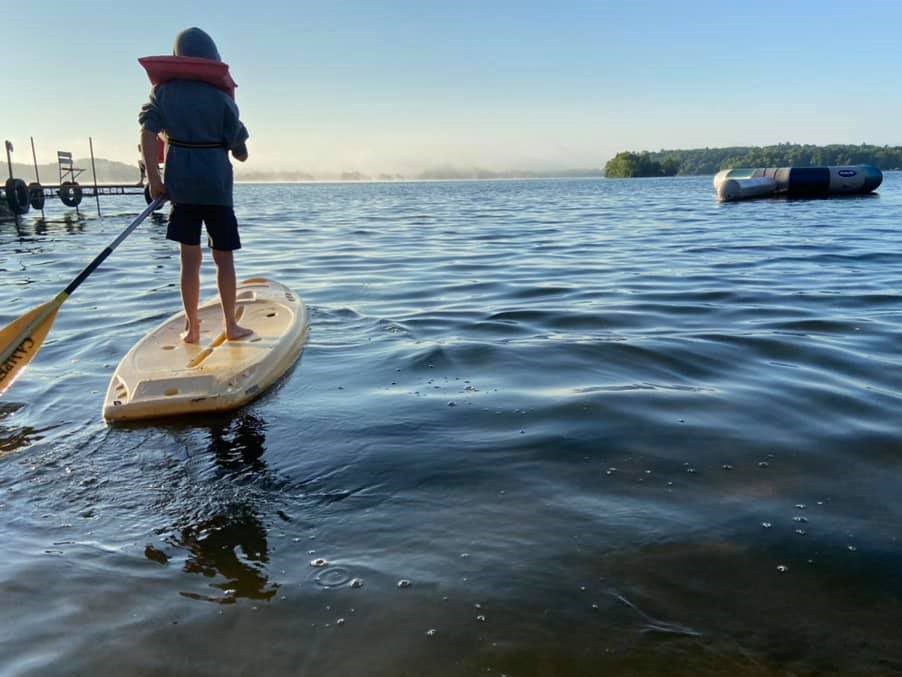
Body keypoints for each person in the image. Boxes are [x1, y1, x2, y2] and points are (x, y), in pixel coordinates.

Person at [139, 27, 252, 343]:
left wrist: (154, 179)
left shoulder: (163, 94)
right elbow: (241, 153)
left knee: (189, 261)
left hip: (182, 192)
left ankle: (193, 329)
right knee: (224, 259)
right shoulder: (222, 100)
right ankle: (231, 326)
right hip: (217, 192)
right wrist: (236, 145)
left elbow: (147, 134)